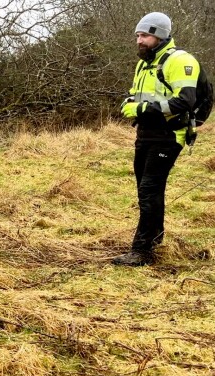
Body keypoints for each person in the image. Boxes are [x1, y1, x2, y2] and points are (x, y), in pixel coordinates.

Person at [114, 12, 199, 266]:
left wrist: (142, 110)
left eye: (145, 35)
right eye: (138, 35)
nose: (139, 40)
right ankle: (155, 239)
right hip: (145, 134)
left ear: (159, 35)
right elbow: (139, 94)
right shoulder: (144, 63)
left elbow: (185, 100)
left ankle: (142, 251)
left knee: (149, 190)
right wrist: (130, 101)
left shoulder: (179, 60)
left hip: (169, 135)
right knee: (146, 188)